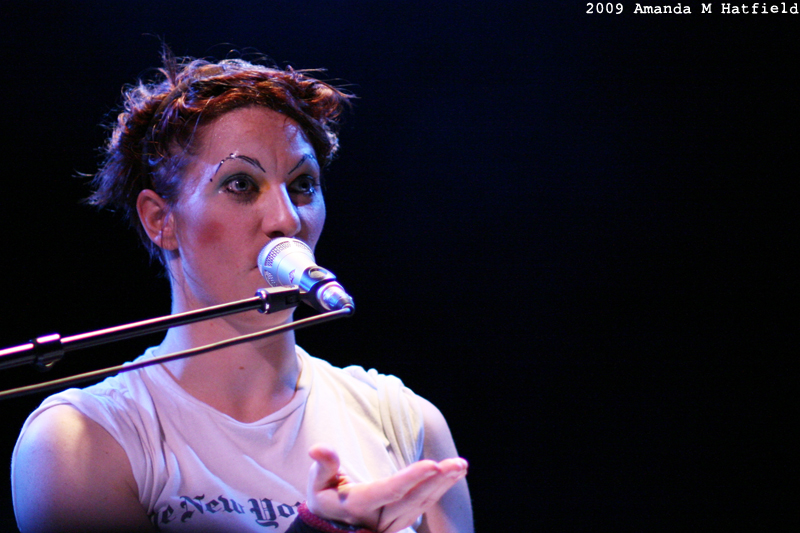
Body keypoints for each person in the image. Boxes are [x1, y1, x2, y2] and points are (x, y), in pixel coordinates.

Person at [11, 51, 473, 533]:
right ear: (160, 220)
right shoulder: (82, 438)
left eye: (303, 185)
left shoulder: (406, 423)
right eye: (241, 184)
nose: (287, 220)